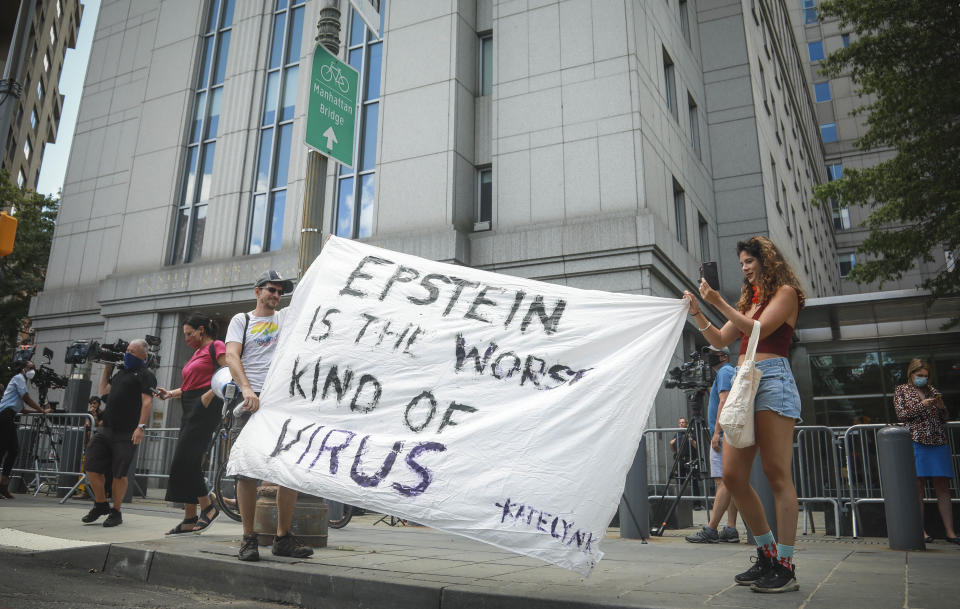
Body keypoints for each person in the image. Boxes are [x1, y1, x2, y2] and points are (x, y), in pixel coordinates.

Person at [683, 235, 803, 593]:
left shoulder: (785, 293)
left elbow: (759, 331)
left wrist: (718, 300)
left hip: (772, 380)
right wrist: (698, 312)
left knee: (776, 474)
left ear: (767, 260)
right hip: (742, 384)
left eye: (750, 261)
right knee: (733, 475)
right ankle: (766, 554)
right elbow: (721, 339)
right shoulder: (748, 301)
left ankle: (785, 563)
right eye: (742, 264)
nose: (745, 268)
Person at [225, 270, 313, 561]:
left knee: (288, 469)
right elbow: (231, 357)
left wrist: (327, 253)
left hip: (280, 402)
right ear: (257, 291)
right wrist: (247, 389)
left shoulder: (284, 318)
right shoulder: (242, 320)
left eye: (279, 291)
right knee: (246, 472)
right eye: (271, 290)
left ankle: (283, 537)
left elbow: (312, 290)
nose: (276, 295)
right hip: (250, 400)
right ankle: (249, 538)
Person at [156, 313, 226, 534]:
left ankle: (208, 507)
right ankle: (189, 517)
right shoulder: (197, 353)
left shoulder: (216, 345)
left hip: (205, 405)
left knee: (184, 460)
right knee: (186, 461)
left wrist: (210, 394)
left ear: (201, 330)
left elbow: (229, 371)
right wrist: (170, 394)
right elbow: (189, 385)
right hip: (189, 404)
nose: (186, 338)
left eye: (189, 334)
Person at [81, 340, 156, 526]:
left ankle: (116, 511)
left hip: (126, 432)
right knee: (91, 466)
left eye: (132, 351)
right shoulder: (121, 372)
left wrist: (141, 427)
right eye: (127, 350)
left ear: (142, 356)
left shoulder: (146, 375)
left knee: (119, 474)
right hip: (106, 428)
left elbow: (147, 403)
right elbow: (104, 391)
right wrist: (107, 367)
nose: (127, 354)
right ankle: (100, 504)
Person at [894, 358, 958, 545]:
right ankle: (920, 531)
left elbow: (945, 417)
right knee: (918, 486)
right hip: (915, 440)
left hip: (938, 440)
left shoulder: (933, 391)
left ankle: (950, 532)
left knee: (943, 485)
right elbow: (902, 414)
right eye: (919, 375)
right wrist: (922, 405)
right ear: (911, 374)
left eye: (926, 376)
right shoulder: (902, 390)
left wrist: (940, 407)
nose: (923, 379)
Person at [686, 345, 740, 543]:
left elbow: (724, 401)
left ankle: (711, 529)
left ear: (723, 356)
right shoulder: (726, 372)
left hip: (723, 433)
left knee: (723, 482)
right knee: (730, 483)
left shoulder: (725, 371)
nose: (707, 356)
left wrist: (717, 432)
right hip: (728, 433)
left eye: (711, 353)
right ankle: (731, 528)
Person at [0, 361, 54, 499]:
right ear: (23, 369)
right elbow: (26, 398)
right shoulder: (18, 378)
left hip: (8, 416)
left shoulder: (21, 381)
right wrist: (42, 410)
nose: (33, 371)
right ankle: (2, 485)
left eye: (34, 368)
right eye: (31, 368)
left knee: (13, 450)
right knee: (5, 450)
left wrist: (40, 412)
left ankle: (3, 485)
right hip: (4, 415)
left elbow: (22, 408)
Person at [669, 417, 703, 508]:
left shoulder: (691, 432)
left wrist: (691, 440)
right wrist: (671, 444)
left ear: (687, 424)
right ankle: (682, 504)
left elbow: (697, 447)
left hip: (690, 460)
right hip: (680, 460)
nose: (681, 424)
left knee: (693, 482)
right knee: (680, 482)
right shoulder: (677, 434)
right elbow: (673, 450)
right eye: (680, 423)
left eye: (683, 422)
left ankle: (696, 504)